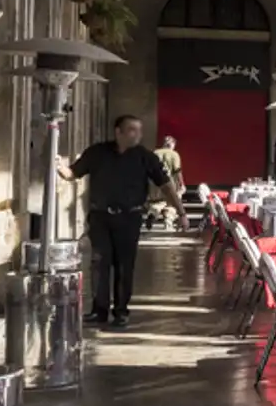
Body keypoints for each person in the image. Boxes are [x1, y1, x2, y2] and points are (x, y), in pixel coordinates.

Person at [60, 115, 186, 329]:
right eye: (131, 130)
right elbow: (73, 173)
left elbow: (165, 185)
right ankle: (99, 311)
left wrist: (181, 212)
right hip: (100, 217)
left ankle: (121, 312)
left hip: (130, 217)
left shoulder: (145, 157)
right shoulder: (97, 152)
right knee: (99, 263)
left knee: (124, 266)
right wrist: (58, 166)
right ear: (118, 132)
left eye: (139, 130)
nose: (137, 135)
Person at [151, 136, 185, 228]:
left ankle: (153, 213)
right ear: (172, 144)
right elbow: (177, 170)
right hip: (169, 182)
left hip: (154, 184)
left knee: (157, 202)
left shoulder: (155, 153)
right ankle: (168, 220)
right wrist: (182, 184)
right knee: (171, 202)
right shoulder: (174, 154)